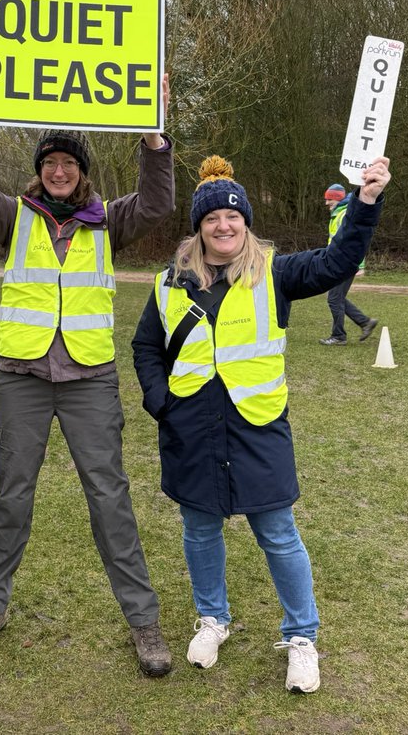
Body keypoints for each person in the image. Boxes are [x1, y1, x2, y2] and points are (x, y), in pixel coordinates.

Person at [131, 155, 389, 693]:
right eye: (211, 219)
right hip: (191, 428)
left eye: (233, 217)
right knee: (200, 530)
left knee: (278, 533)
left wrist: (365, 203)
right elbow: (145, 348)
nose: (223, 227)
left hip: (258, 425)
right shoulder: (170, 283)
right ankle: (212, 619)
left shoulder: (278, 272)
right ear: (198, 227)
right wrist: (162, 403)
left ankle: (301, 637)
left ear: (245, 222)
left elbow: (340, 259)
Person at [0, 76, 175, 676]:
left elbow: (156, 204)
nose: (57, 171)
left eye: (68, 162)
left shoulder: (110, 220)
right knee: (9, 499)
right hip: (19, 375)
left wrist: (153, 140)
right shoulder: (14, 215)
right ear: (38, 171)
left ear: (82, 171)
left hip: (89, 379)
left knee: (110, 499)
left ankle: (143, 623)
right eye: (49, 162)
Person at [318, 183, 378, 346]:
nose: (326, 203)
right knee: (337, 298)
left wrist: (360, 264)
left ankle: (339, 336)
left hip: (344, 263)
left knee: (334, 299)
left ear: (337, 199)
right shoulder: (337, 213)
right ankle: (365, 322)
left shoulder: (344, 214)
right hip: (339, 262)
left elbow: (357, 240)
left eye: (329, 199)